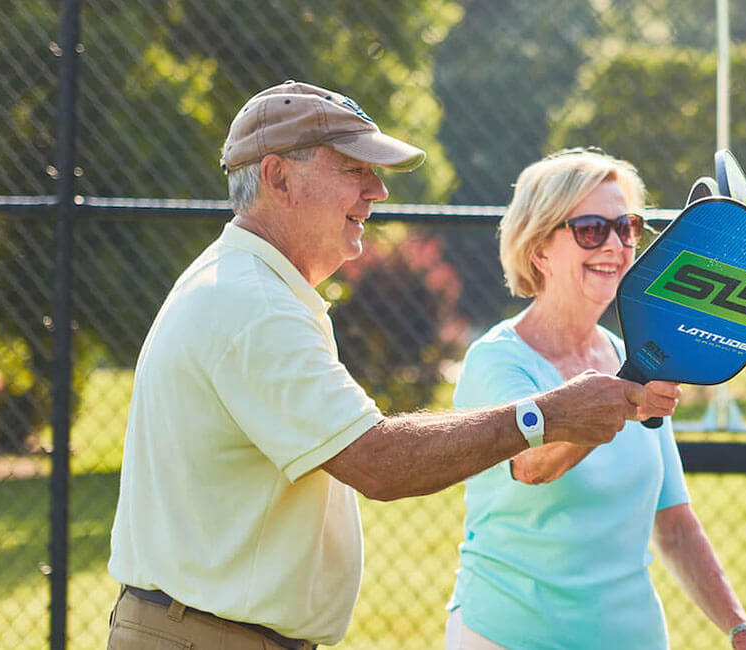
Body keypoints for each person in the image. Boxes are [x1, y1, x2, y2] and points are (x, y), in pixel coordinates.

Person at [106, 82, 679, 650]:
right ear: (278, 177)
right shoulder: (252, 305)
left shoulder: (248, 288)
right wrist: (544, 415)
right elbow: (378, 460)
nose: (376, 190)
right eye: (353, 169)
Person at [442, 149, 746, 650]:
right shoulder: (496, 361)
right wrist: (622, 403)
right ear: (539, 250)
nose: (616, 245)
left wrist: (740, 627)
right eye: (592, 229)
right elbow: (533, 464)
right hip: (507, 635)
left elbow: (674, 522)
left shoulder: (631, 354)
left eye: (628, 227)